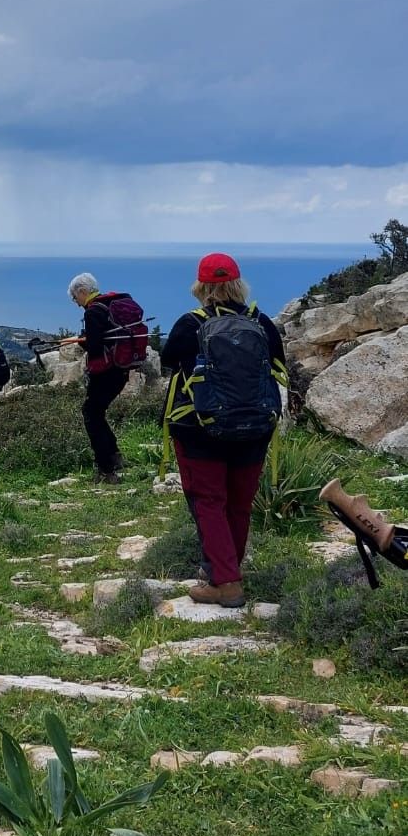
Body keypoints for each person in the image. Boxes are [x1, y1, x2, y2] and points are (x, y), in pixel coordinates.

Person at [161, 253, 287, 608]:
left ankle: (225, 582)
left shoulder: (191, 324)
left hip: (199, 428)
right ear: (238, 284)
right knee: (239, 503)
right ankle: (226, 567)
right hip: (255, 427)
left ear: (201, 287)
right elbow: (278, 363)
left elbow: (168, 359)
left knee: (208, 503)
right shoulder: (260, 322)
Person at [64, 272, 131, 483]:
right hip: (121, 368)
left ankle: (106, 469)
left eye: (75, 298)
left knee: (91, 414)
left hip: (105, 372)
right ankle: (114, 455)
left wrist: (80, 341)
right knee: (97, 412)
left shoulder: (93, 311)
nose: (76, 303)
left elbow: (94, 347)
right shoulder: (111, 304)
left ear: (83, 291)